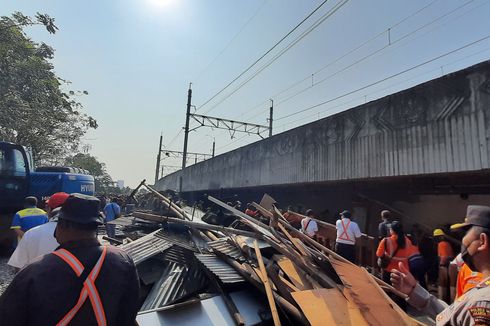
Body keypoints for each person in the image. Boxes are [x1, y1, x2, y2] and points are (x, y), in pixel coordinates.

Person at [0, 193, 140, 325]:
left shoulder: (35, 271)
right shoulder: (122, 260)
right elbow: (128, 314)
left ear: (62, 225)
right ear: (96, 227)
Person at [390, 205, 490, 325]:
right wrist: (414, 291)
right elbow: (455, 317)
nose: (463, 240)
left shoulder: (482, 304)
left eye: (466, 233)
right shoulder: (481, 291)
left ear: (482, 241)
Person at [8, 192, 69, 271]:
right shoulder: (43, 213)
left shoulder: (20, 215)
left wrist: (26, 237)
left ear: (48, 208)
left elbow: (19, 266)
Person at [434, 228, 455, 302]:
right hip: (451, 265)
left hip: (444, 266)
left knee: (442, 285)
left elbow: (443, 257)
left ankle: (442, 301)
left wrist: (441, 265)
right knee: (450, 285)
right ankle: (451, 301)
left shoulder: (441, 244)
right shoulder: (448, 243)